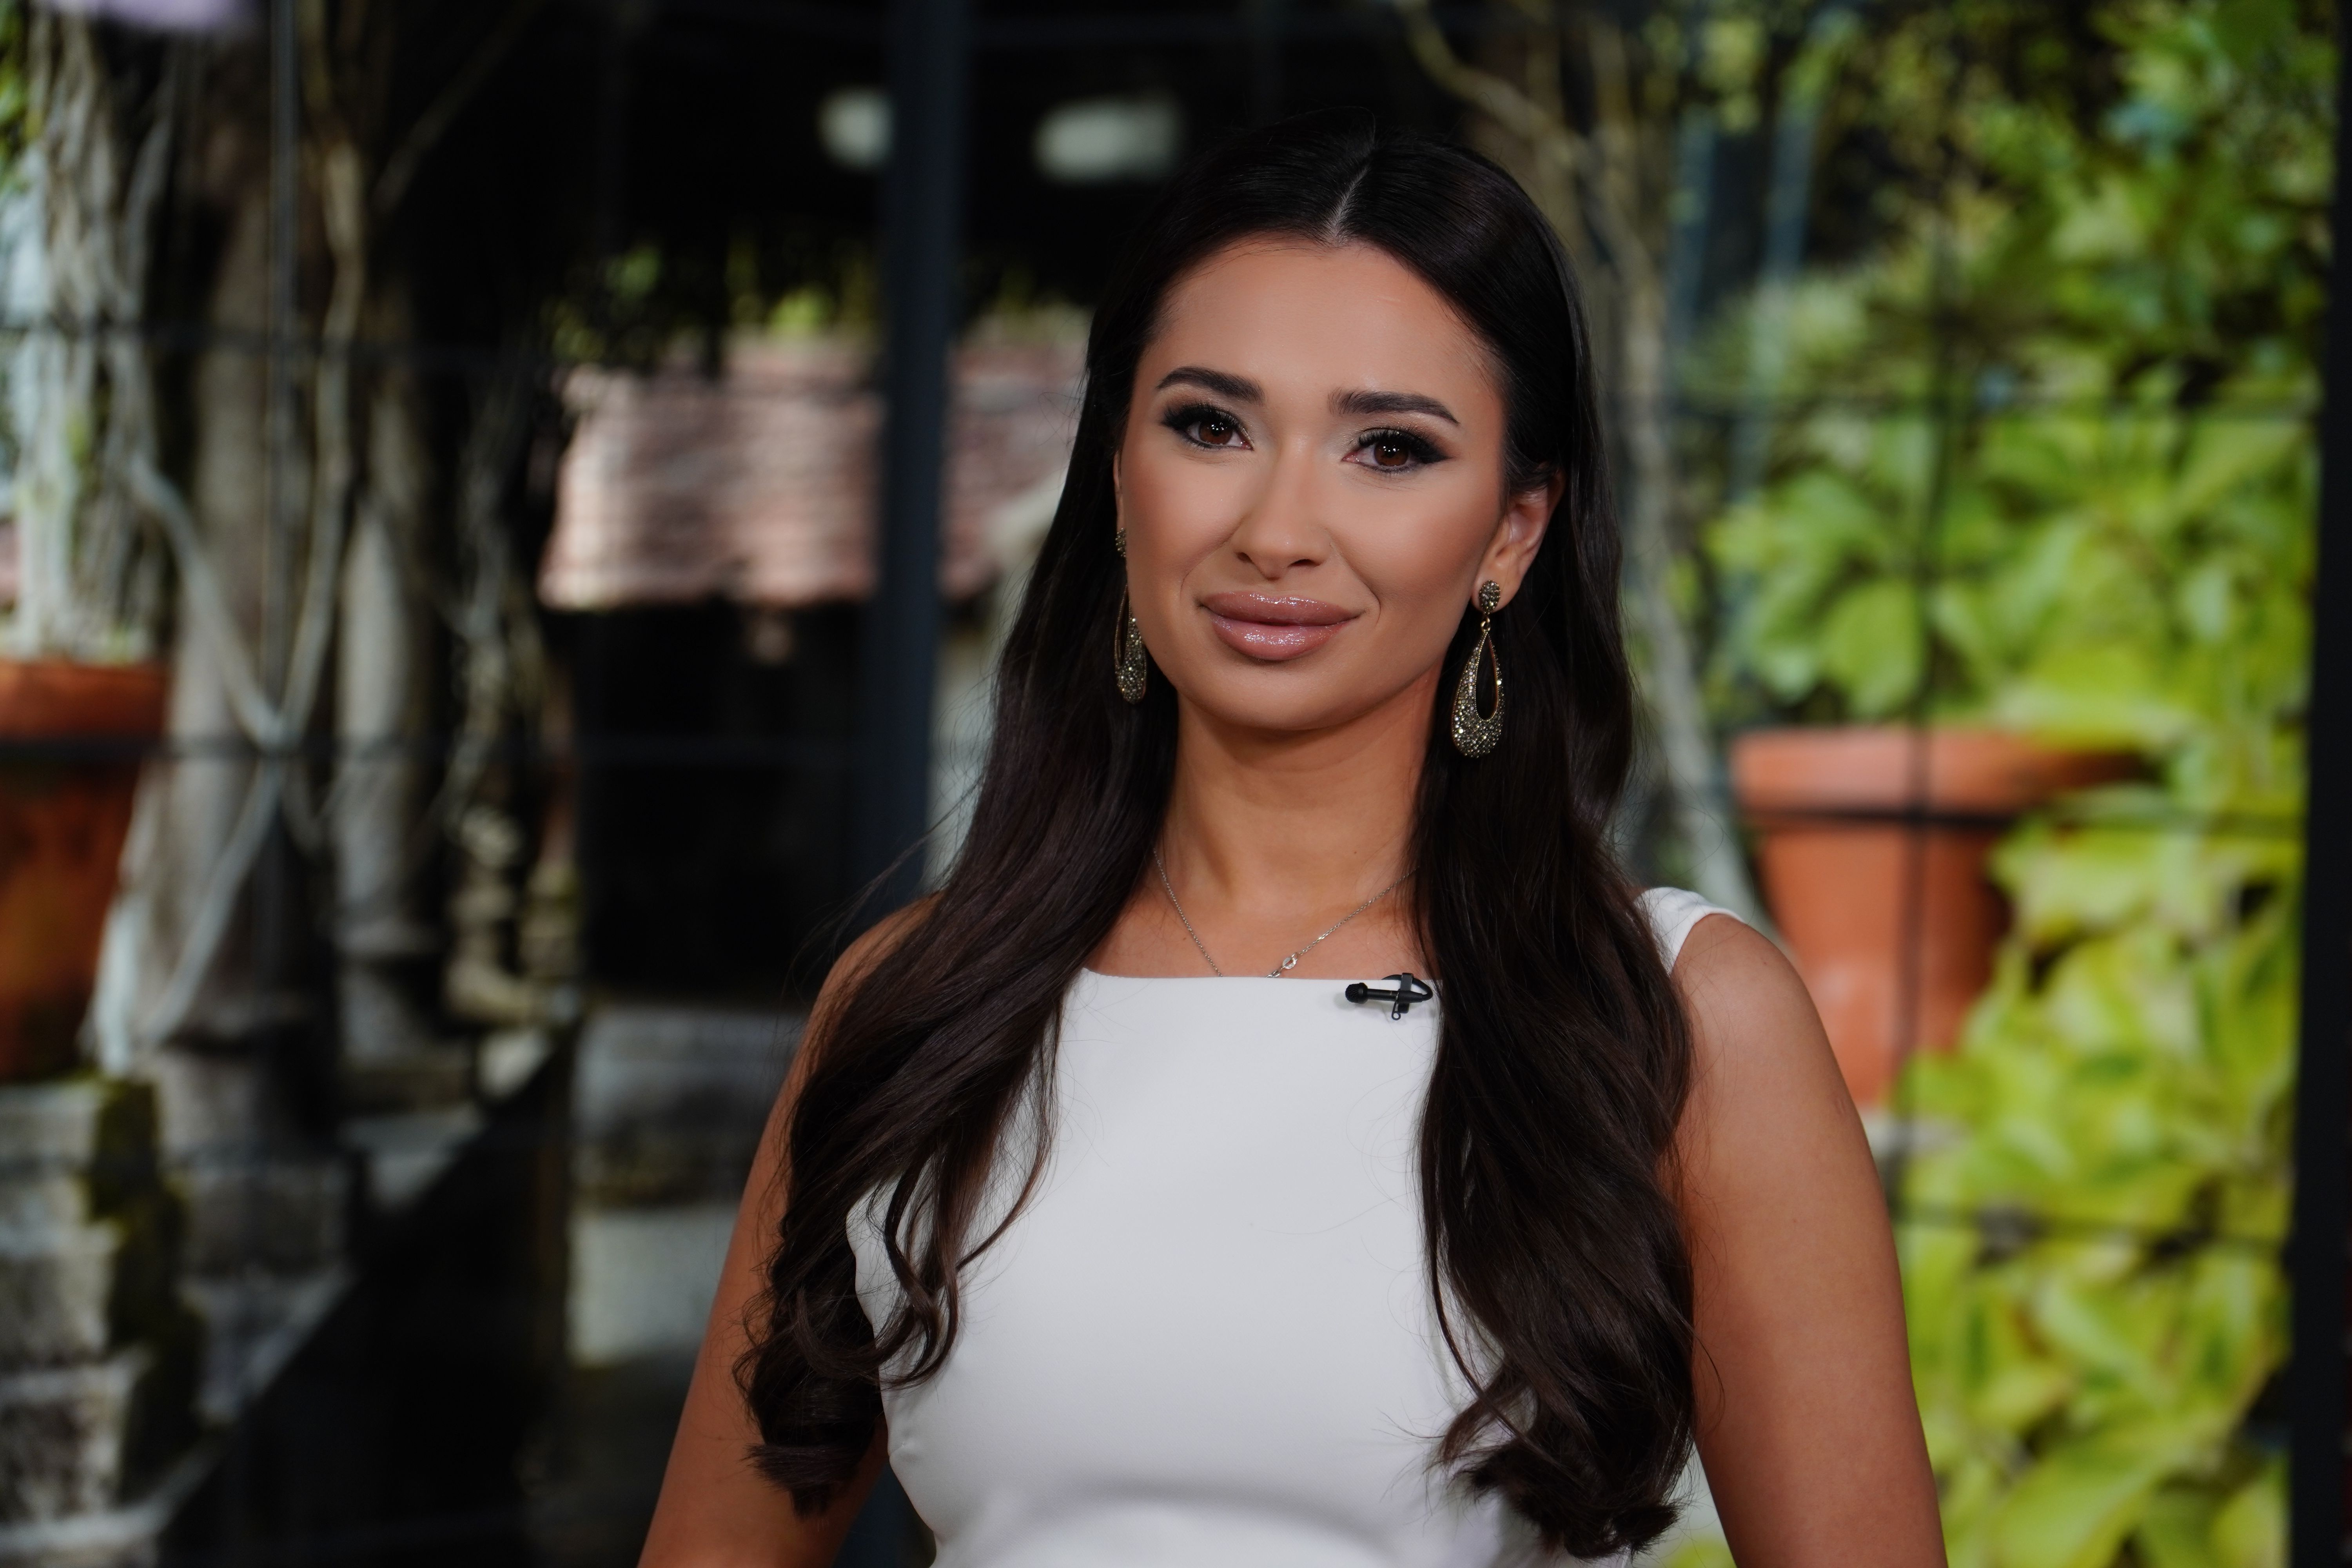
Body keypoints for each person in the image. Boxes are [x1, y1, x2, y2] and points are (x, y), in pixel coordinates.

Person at [641, 109, 1943, 1568]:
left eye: (1389, 448)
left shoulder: (1675, 1020)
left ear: (1513, 533)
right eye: (1211, 426)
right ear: (1118, 473)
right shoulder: (911, 1009)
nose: (1278, 527)